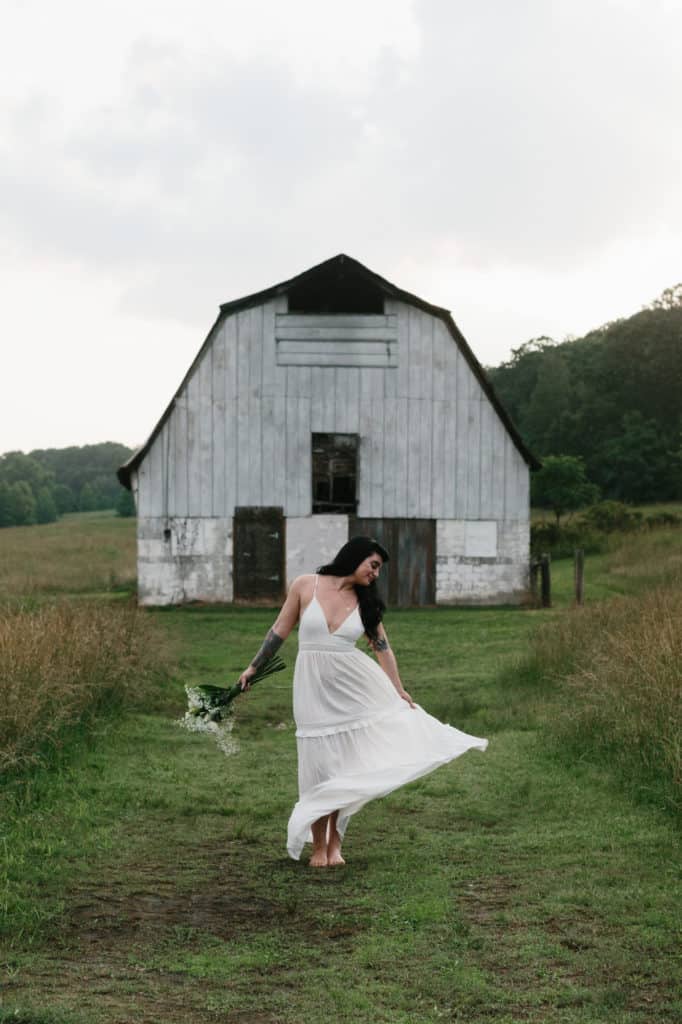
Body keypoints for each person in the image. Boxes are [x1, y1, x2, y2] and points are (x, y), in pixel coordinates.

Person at [238, 536, 488, 867]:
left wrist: (398, 689)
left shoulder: (365, 603)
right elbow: (279, 631)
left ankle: (334, 844)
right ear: (354, 558)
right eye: (373, 565)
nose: (376, 574)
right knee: (316, 764)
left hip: (352, 688)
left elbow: (382, 648)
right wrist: (254, 667)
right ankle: (317, 848)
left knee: (345, 764)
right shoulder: (304, 585)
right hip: (311, 689)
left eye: (379, 569)